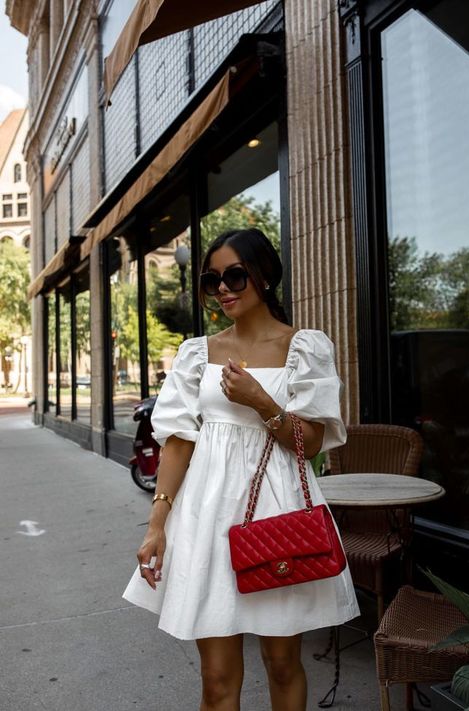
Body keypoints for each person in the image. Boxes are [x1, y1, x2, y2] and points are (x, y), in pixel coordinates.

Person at [123, 228, 359, 711]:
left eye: (236, 275)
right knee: (216, 678)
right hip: (205, 513)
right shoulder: (197, 353)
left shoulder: (304, 348)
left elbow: (309, 443)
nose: (224, 289)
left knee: (282, 663)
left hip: (278, 513)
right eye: (213, 280)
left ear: (266, 276)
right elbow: (177, 443)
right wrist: (157, 524)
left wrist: (261, 401)